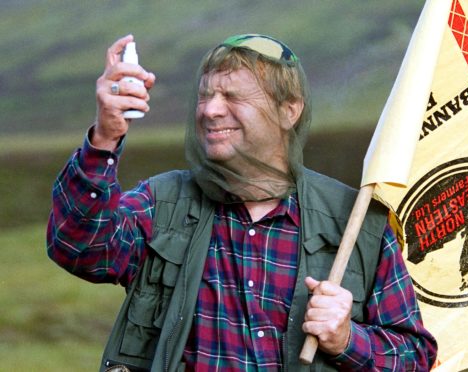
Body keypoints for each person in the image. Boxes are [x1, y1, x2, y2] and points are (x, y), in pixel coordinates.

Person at [47, 34, 437, 371]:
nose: (211, 110)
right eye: (205, 96)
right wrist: (104, 137)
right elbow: (81, 249)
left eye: (232, 96)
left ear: (289, 110)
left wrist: (347, 339)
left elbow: (417, 357)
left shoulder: (355, 222)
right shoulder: (161, 204)